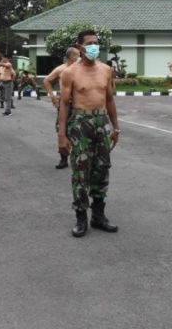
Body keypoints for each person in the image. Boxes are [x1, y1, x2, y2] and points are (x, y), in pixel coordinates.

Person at [59, 31, 119, 238]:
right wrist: (62, 135)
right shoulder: (70, 72)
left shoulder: (106, 70)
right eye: (90, 43)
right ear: (81, 47)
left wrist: (115, 127)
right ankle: (81, 217)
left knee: (102, 169)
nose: (94, 46)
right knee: (81, 172)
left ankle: (99, 215)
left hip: (101, 122)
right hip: (80, 123)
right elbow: (64, 105)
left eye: (96, 42)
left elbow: (110, 100)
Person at [43, 46, 80, 169]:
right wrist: (52, 96)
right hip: (65, 103)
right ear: (70, 57)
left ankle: (80, 157)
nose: (79, 57)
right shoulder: (61, 69)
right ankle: (63, 158)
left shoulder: (81, 68)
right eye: (77, 55)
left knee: (79, 130)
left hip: (79, 104)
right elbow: (46, 80)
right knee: (61, 129)